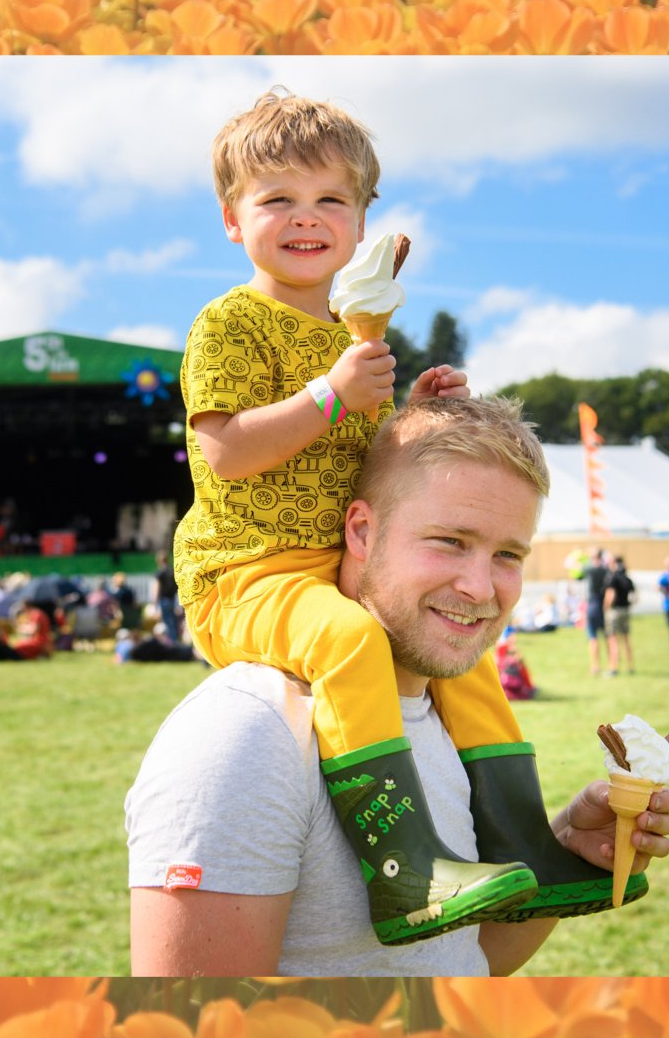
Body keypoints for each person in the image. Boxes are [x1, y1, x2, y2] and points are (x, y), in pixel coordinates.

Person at [128, 397, 669, 976]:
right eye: (450, 541)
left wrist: (563, 841)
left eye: (507, 555)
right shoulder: (246, 735)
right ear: (362, 531)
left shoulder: (447, 712)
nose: (479, 587)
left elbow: (458, 962)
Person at [171, 91, 534, 945]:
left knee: (469, 656)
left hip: (340, 566)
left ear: (363, 218)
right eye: (278, 200)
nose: (307, 218)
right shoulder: (230, 322)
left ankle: (526, 843)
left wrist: (405, 412)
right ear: (233, 219)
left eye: (331, 199)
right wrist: (329, 393)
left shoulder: (351, 329)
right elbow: (224, 451)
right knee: (350, 640)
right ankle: (407, 872)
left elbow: (359, 460)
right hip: (248, 574)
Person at [603, 555, 635, 675]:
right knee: (626, 638)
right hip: (625, 610)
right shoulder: (627, 579)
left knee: (613, 639)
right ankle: (630, 665)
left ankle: (614, 667)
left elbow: (610, 594)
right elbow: (634, 597)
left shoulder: (613, 578)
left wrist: (606, 607)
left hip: (614, 611)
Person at [150, 550, 181, 644]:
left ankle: (171, 642)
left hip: (164, 600)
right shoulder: (173, 571)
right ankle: (175, 640)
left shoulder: (160, 573)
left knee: (167, 622)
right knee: (174, 621)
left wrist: (154, 603)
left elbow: (157, 588)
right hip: (173, 599)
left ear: (159, 561)